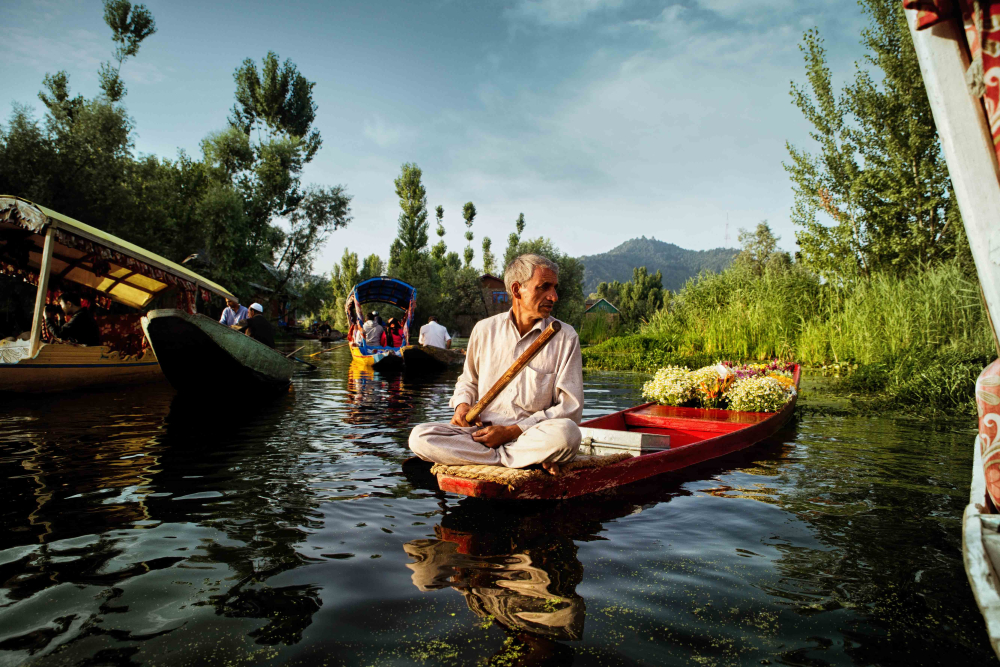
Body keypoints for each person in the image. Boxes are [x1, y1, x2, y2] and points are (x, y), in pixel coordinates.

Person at [408, 254, 582, 475]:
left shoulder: (565, 336)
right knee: (419, 437)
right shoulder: (484, 329)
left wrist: (511, 432)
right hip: (482, 436)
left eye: (555, 288)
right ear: (517, 290)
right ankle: (522, 459)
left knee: (568, 434)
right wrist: (462, 405)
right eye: (544, 287)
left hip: (529, 435)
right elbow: (468, 381)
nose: (554, 297)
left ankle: (495, 458)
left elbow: (570, 408)